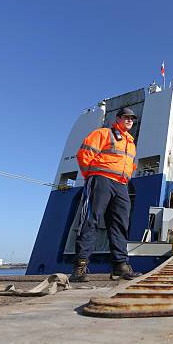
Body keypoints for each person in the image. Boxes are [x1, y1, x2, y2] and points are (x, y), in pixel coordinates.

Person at [70, 107, 140, 282]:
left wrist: (125, 178)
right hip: (101, 180)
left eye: (132, 118)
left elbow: (130, 165)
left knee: (120, 224)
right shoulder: (103, 133)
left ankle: (120, 266)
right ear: (117, 118)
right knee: (90, 220)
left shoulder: (131, 142)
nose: (130, 120)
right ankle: (80, 266)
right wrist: (92, 175)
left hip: (121, 185)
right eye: (126, 117)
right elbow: (84, 154)